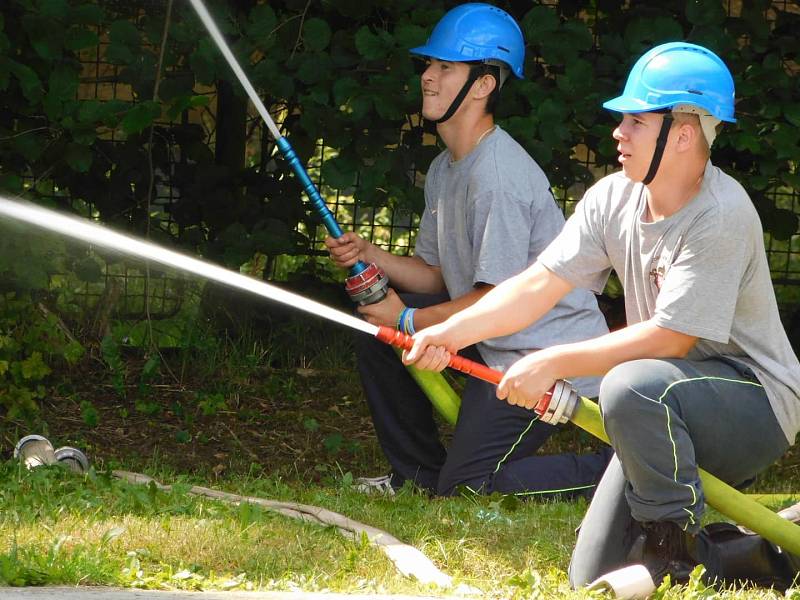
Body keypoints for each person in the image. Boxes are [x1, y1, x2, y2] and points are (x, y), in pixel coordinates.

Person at [404, 41, 800, 587]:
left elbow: (671, 340)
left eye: (636, 121)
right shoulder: (611, 197)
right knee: (589, 573)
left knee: (630, 385)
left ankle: (672, 555)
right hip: (661, 406)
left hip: (753, 406)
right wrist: (450, 331)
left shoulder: (722, 214)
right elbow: (537, 285)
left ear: (682, 134)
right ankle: (760, 552)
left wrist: (551, 361)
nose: (618, 133)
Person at [325, 3, 611, 498]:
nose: (428, 78)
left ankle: (619, 475)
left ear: (483, 85)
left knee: (468, 487)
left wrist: (410, 322)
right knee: (377, 337)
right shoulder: (446, 167)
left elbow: (492, 298)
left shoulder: (498, 178)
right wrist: (370, 252)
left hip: (539, 356)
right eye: (430, 65)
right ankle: (416, 477)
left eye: (446, 67)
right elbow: (437, 275)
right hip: (493, 336)